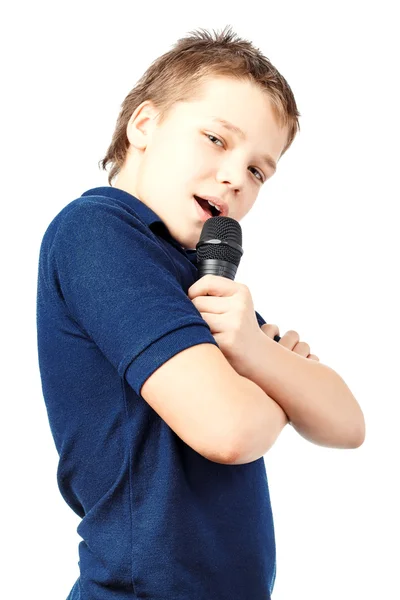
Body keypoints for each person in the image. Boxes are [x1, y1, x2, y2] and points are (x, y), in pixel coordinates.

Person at [36, 26, 300, 599]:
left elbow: (341, 418)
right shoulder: (97, 233)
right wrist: (282, 387)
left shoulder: (198, 279)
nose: (235, 176)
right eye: (214, 138)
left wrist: (264, 367)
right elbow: (228, 430)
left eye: (258, 170)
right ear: (145, 125)